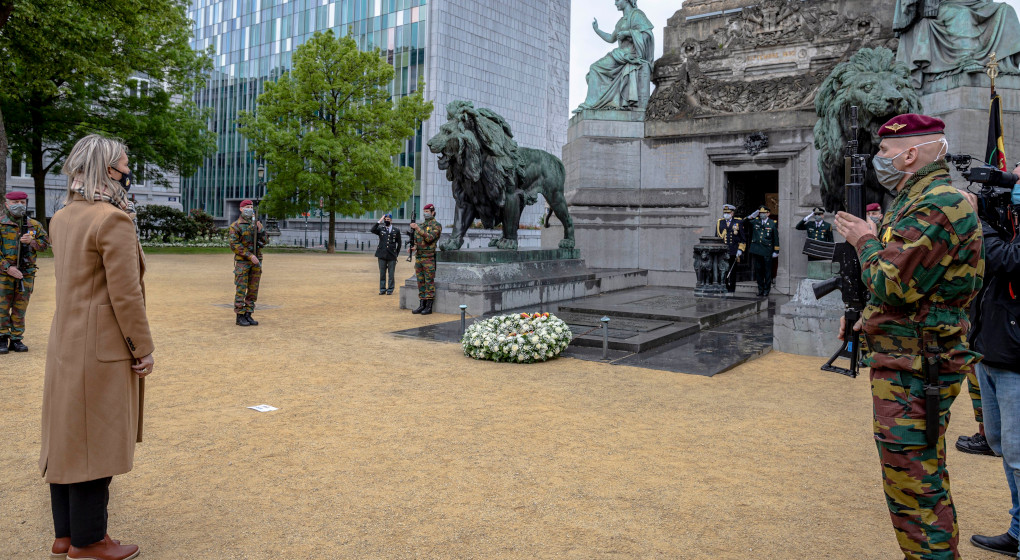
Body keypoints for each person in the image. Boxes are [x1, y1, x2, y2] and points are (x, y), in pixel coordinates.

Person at [835, 114, 984, 560]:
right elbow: (918, 287)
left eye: (884, 152)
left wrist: (863, 239)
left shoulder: (935, 205)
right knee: (917, 479)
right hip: (908, 358)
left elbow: (893, 283)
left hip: (919, 365)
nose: (879, 160)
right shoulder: (914, 200)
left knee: (915, 488)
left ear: (910, 154)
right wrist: (867, 317)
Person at [40, 134, 154, 560]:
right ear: (109, 171)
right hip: (102, 344)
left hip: (66, 339)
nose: (129, 170)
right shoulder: (111, 220)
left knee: (69, 435)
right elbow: (126, 295)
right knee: (96, 442)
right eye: (125, 164)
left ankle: (66, 534)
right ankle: (89, 541)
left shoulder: (63, 216)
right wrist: (141, 348)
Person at [961, 176, 1020, 556]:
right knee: (1002, 446)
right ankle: (1018, 529)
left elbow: (1009, 260)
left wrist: (976, 219)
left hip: (1015, 358)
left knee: (1019, 452)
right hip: (993, 349)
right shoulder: (1011, 220)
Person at [574, 0, 654, 112]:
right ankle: (596, 102)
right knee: (594, 69)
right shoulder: (620, 22)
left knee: (595, 68)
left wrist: (628, 33)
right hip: (620, 54)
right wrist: (597, 30)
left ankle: (591, 103)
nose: (615, 3)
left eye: (617, 0)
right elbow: (611, 38)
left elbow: (647, 35)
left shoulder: (637, 15)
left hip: (630, 54)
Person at [0, 190, 50, 353]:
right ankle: (2, 338)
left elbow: (45, 245)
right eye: (15, 203)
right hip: (3, 275)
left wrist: (33, 242)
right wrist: (8, 268)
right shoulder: (1, 223)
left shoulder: (33, 225)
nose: (19, 206)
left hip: (26, 273)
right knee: (2, 306)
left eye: (22, 202)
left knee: (20, 306)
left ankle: (16, 339)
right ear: (7, 204)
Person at [228, 199, 268, 327]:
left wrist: (261, 231)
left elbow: (265, 240)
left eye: (251, 206)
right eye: (247, 207)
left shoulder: (255, 224)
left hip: (256, 262)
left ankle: (248, 314)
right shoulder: (236, 226)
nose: (250, 209)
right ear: (241, 209)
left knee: (253, 289)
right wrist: (249, 256)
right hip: (243, 263)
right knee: (241, 289)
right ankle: (240, 315)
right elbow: (234, 245)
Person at [410, 203, 442, 315]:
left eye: (428, 211)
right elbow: (418, 240)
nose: (425, 213)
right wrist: (414, 247)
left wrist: (418, 229)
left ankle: (429, 306)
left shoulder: (436, 225)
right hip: (419, 257)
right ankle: (421, 304)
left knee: (429, 282)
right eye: (425, 211)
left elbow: (429, 238)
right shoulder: (422, 225)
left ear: (433, 212)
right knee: (420, 282)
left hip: (428, 258)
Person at [743, 205, 779, 297]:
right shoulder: (756, 221)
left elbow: (775, 237)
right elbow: (744, 222)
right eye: (761, 213)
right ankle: (760, 289)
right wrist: (752, 215)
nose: (762, 215)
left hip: (767, 250)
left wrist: (776, 250)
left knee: (767, 271)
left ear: (768, 213)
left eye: (764, 213)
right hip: (757, 250)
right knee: (758, 271)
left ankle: (767, 290)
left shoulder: (772, 223)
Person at [370, 213, 403, 295]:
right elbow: (372, 230)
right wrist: (379, 221)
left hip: (391, 255)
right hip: (382, 254)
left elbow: (399, 243)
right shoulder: (381, 229)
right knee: (382, 273)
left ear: (391, 220)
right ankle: (382, 289)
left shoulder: (396, 230)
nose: (386, 221)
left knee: (391, 274)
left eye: (388, 219)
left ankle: (390, 289)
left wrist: (396, 254)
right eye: (385, 220)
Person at [716, 204, 743, 293]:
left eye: (728, 213)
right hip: (723, 251)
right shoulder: (720, 222)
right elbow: (716, 236)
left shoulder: (738, 222)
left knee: (732, 271)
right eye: (724, 213)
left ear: (732, 213)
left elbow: (743, 239)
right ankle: (724, 287)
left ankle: (732, 289)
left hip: (733, 251)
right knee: (723, 270)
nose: (725, 215)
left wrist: (740, 249)